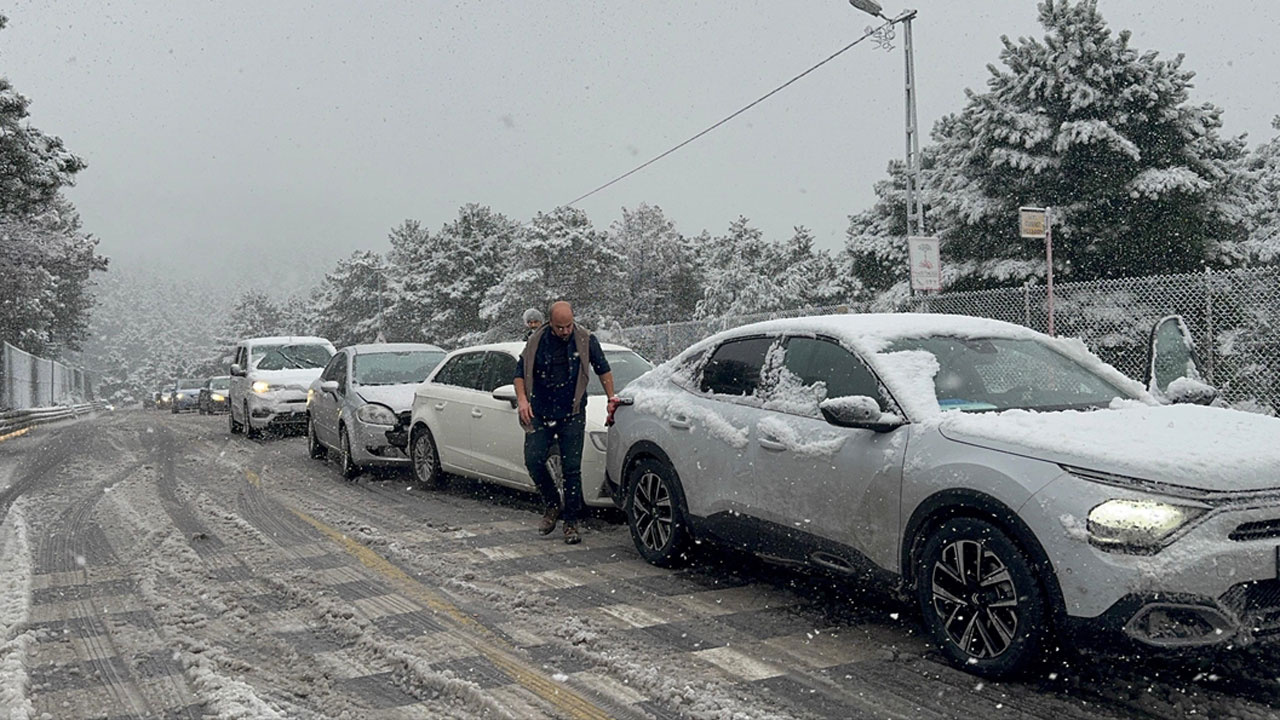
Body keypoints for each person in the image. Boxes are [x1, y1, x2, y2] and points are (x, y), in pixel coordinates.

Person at [514, 301, 614, 544]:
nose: (565, 331)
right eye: (560, 327)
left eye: (568, 325)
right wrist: (523, 400)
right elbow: (519, 373)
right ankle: (552, 504)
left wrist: (612, 398)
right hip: (540, 412)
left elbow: (603, 370)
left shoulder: (585, 339)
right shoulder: (537, 341)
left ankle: (571, 523)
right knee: (534, 460)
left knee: (571, 470)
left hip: (572, 412)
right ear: (550, 323)